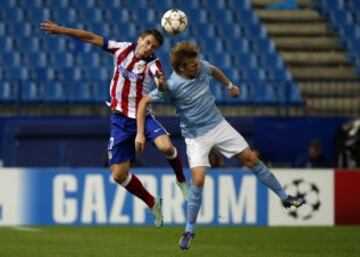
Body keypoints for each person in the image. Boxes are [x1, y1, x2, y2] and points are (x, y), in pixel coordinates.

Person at [135, 41, 305, 250]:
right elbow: (143, 102)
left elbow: (214, 70)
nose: (196, 65)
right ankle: (189, 230)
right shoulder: (171, 85)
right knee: (197, 180)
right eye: (191, 64)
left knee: (251, 159)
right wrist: (141, 132)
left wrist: (230, 85)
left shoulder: (201, 66)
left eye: (196, 61)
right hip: (196, 136)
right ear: (181, 68)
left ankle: (285, 197)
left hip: (219, 125)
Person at [40, 21, 189, 227]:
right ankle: (152, 202)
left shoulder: (153, 64)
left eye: (153, 47)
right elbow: (91, 37)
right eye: (147, 43)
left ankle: (181, 179)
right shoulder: (121, 48)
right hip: (119, 120)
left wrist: (162, 84)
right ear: (139, 39)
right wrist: (62, 30)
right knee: (119, 175)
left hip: (142, 117)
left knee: (166, 146)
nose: (149, 48)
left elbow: (159, 81)